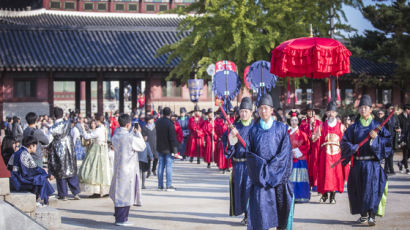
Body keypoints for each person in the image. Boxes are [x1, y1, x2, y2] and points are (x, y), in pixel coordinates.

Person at [340, 95, 392, 226]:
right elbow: (344, 143)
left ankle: (372, 216)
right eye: (361, 108)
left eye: (366, 108)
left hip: (372, 163)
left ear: (370, 109)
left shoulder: (378, 127)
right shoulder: (353, 128)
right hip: (358, 163)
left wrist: (375, 139)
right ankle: (363, 215)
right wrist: (354, 147)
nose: (363, 110)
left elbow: (388, 141)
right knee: (359, 189)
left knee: (373, 189)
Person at [246, 94, 293, 230]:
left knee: (280, 213)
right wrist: (262, 172)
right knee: (261, 215)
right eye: (260, 108)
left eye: (266, 108)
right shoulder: (253, 131)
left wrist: (270, 171)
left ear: (272, 110)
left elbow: (285, 154)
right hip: (260, 179)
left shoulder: (281, 129)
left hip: (278, 177)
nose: (263, 111)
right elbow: (251, 155)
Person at [110, 113, 146, 226]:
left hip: (118, 167)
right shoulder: (130, 137)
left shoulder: (115, 135)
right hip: (128, 168)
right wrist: (138, 133)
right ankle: (121, 219)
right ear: (128, 124)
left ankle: (119, 217)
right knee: (126, 194)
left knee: (119, 192)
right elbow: (142, 146)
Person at [224, 97, 253, 225]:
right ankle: (243, 213)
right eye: (242, 111)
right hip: (238, 164)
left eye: (246, 111)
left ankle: (249, 215)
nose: (244, 113)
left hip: (250, 164)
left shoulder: (255, 127)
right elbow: (229, 148)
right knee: (240, 190)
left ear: (251, 112)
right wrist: (231, 139)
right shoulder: (235, 127)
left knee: (249, 190)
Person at [9, 135, 55, 206]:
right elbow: (33, 170)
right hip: (19, 180)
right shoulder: (24, 154)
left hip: (15, 177)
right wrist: (48, 174)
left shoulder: (17, 152)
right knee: (41, 177)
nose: (36, 148)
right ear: (31, 146)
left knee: (42, 175)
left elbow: (9, 166)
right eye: (35, 146)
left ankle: (44, 197)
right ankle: (41, 199)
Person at [48, 107, 81, 201]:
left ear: (54, 116)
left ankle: (63, 194)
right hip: (69, 148)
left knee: (60, 171)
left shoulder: (53, 128)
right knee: (71, 169)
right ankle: (76, 192)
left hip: (58, 149)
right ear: (62, 115)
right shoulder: (67, 123)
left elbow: (48, 140)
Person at [317, 101, 345, 204]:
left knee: (335, 175)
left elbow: (344, 141)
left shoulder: (341, 126)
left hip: (336, 154)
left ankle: (332, 196)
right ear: (326, 113)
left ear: (336, 114)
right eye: (329, 112)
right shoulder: (321, 126)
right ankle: (324, 195)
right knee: (325, 174)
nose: (331, 114)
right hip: (325, 154)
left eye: (333, 112)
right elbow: (317, 141)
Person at [79, 115, 112, 198]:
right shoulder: (105, 128)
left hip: (97, 151)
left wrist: (83, 129)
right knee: (103, 171)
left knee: (95, 170)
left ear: (98, 121)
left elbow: (87, 136)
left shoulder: (98, 130)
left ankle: (97, 191)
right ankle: (104, 190)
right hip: (103, 150)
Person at [288, 111, 311, 203]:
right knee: (290, 178)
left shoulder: (302, 134)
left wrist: (298, 151)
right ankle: (290, 196)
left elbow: (307, 145)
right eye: (292, 120)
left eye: (295, 120)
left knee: (300, 178)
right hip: (289, 159)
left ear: (298, 121)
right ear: (290, 121)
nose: (294, 122)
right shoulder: (287, 133)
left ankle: (301, 196)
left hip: (300, 159)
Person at [155, 107, 179, 191]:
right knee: (168, 166)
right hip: (168, 148)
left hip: (160, 146)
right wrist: (175, 150)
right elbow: (172, 138)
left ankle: (160, 185)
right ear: (170, 114)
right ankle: (168, 185)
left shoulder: (157, 122)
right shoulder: (170, 123)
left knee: (160, 166)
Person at [299, 104, 322, 190]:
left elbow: (321, 135)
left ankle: (316, 183)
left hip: (316, 147)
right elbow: (300, 135)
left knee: (316, 164)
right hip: (307, 147)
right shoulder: (303, 123)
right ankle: (307, 184)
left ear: (314, 112)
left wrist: (316, 136)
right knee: (307, 165)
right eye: (308, 111)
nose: (310, 113)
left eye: (312, 111)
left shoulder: (319, 123)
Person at [397, 104, 410, 174]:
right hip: (403, 138)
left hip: (409, 138)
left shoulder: (409, 117)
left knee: (408, 153)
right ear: (406, 109)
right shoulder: (399, 117)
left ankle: (400, 163)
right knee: (405, 153)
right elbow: (398, 127)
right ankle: (407, 168)